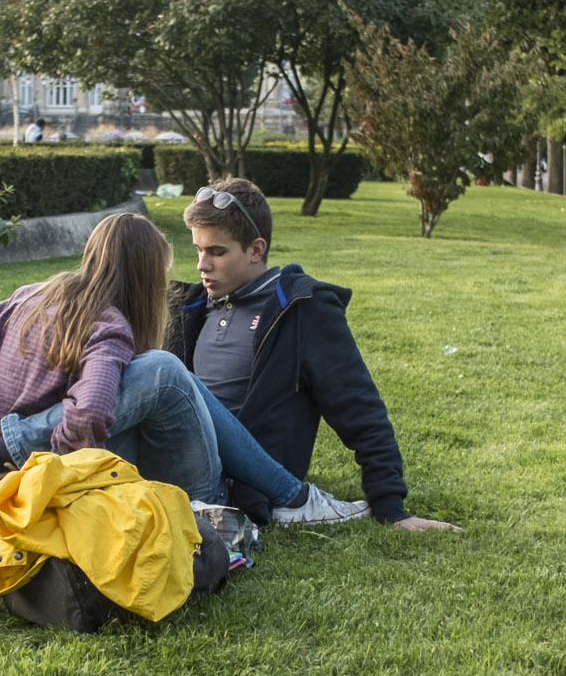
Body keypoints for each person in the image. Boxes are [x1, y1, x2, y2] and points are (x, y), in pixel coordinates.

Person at [0, 213, 365, 526]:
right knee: (161, 370)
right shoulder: (109, 328)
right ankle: (297, 500)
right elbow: (87, 421)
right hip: (99, 491)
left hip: (3, 490)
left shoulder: (32, 295)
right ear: (142, 278)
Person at [172, 178, 461, 532]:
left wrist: (391, 507)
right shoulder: (193, 308)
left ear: (256, 250)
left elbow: (359, 407)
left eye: (217, 252)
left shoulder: (302, 310)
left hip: (239, 487)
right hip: (180, 463)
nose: (202, 265)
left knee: (167, 375)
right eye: (198, 250)